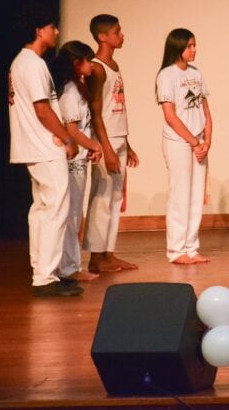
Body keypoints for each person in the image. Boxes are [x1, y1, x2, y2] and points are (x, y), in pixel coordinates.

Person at [8, 4, 83, 297]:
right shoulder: (33, 64)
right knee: (55, 210)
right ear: (39, 31)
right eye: (53, 27)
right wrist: (67, 139)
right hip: (44, 146)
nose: (57, 32)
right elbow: (42, 109)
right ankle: (46, 277)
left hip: (32, 146)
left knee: (41, 211)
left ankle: (43, 272)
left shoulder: (20, 62)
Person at [86, 14, 140, 273]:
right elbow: (96, 112)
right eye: (117, 31)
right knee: (102, 197)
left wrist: (127, 143)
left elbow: (116, 107)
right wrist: (106, 148)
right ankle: (96, 257)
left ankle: (109, 253)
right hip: (104, 140)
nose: (122, 35)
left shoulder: (114, 65)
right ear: (102, 36)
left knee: (116, 198)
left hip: (119, 138)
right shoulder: (97, 68)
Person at [156, 29, 212, 264]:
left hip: (198, 141)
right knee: (180, 194)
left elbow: (206, 111)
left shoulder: (196, 73)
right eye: (189, 46)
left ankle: (191, 247)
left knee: (196, 195)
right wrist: (194, 142)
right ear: (177, 47)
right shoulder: (166, 75)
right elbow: (170, 116)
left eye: (194, 45)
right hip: (179, 142)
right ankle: (176, 249)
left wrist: (207, 141)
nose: (193, 50)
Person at [51, 40, 103, 282]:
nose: (91, 65)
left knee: (75, 214)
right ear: (76, 63)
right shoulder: (71, 92)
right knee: (71, 215)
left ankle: (71, 265)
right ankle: (68, 268)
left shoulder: (78, 89)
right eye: (88, 60)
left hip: (80, 160)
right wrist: (93, 145)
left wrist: (90, 146)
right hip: (71, 162)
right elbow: (71, 130)